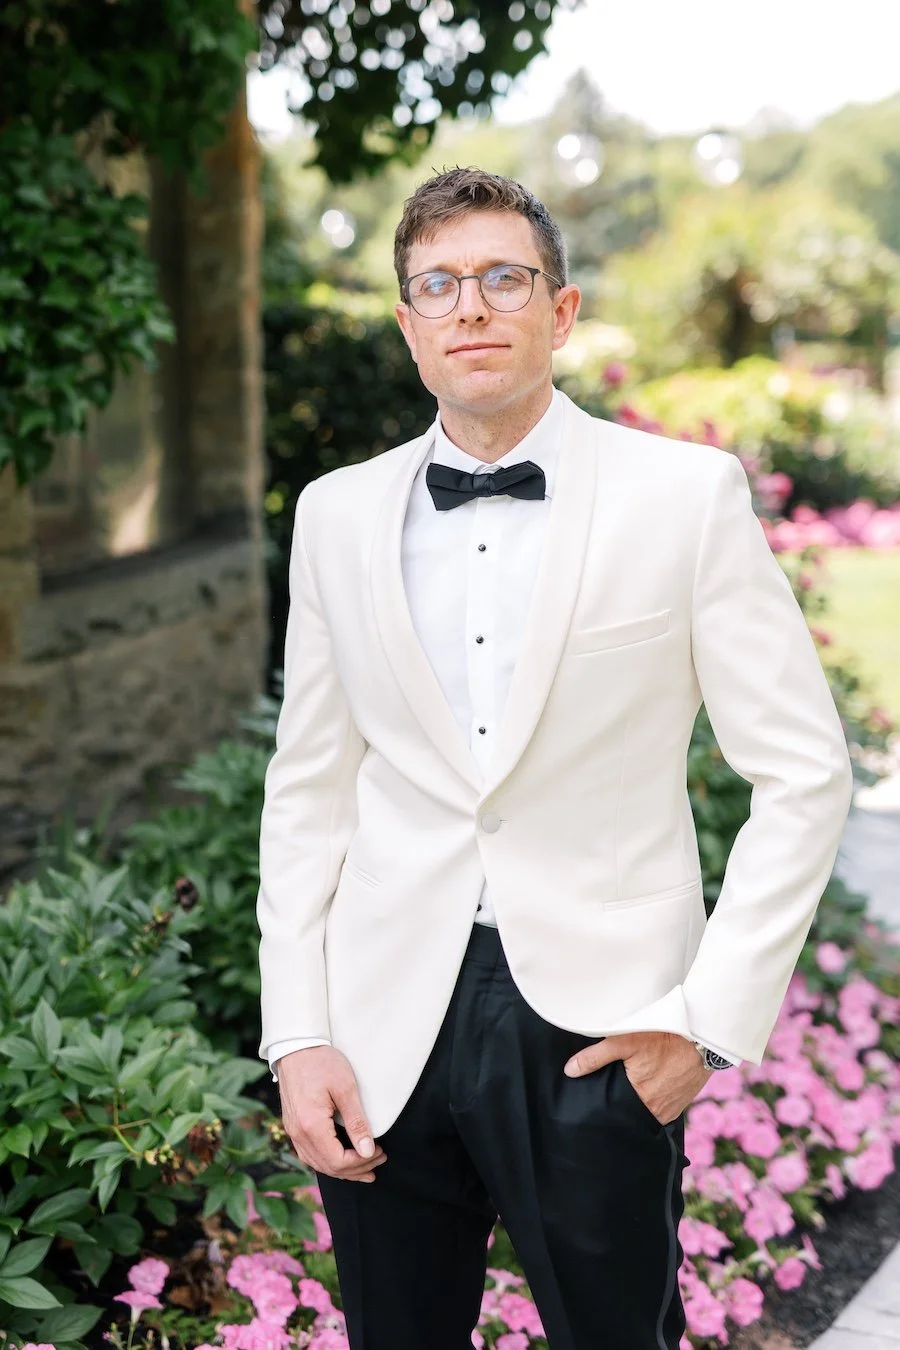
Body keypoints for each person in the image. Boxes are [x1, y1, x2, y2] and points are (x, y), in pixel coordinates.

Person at [256, 168, 854, 1350]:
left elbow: (804, 770)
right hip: (383, 1026)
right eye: (440, 284)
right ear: (408, 327)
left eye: (503, 278)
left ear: (562, 312)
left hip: (603, 1028)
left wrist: (707, 1022)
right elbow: (309, 787)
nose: (471, 306)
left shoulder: (684, 498)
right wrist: (296, 1031)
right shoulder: (334, 513)